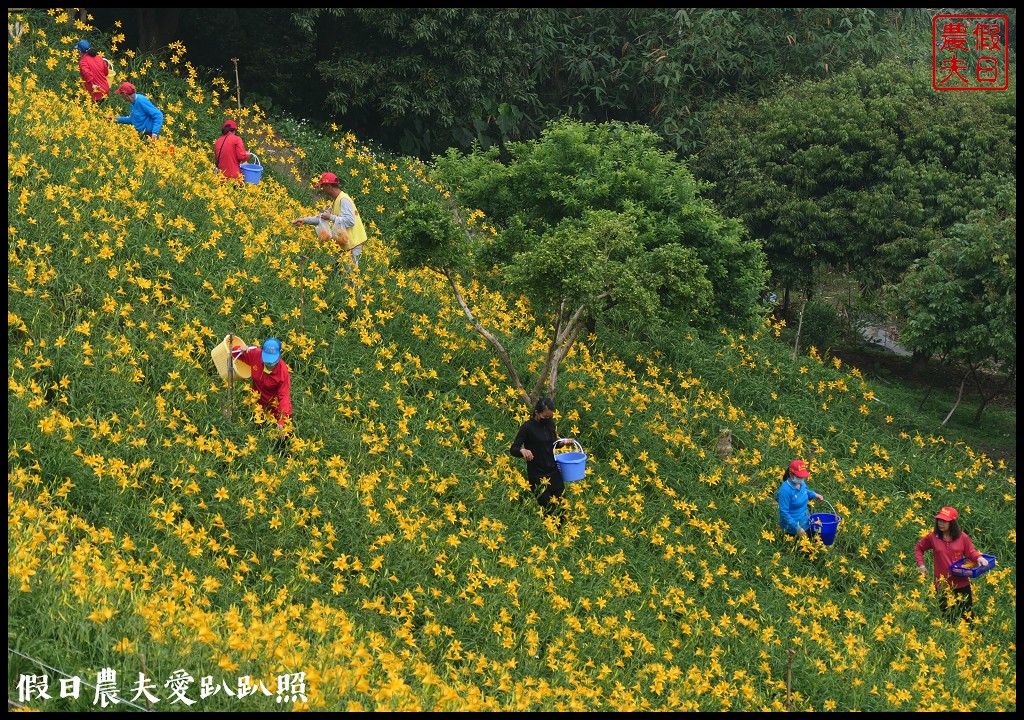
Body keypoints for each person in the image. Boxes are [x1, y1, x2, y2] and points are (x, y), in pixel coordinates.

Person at [915, 506, 989, 623]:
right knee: (947, 619)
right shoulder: (933, 537)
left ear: (952, 522)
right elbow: (919, 548)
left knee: (967, 617)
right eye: (939, 520)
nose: (940, 523)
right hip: (942, 585)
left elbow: (971, 552)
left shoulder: (962, 537)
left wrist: (979, 558)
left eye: (944, 521)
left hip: (961, 583)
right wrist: (921, 565)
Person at [510, 397, 577, 521]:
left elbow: (552, 444)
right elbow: (514, 449)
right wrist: (522, 450)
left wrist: (564, 442)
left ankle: (562, 536)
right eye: (545, 417)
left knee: (562, 508)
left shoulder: (550, 424)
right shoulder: (527, 427)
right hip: (537, 475)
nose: (547, 419)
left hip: (553, 472)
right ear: (536, 412)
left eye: (550, 417)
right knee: (548, 510)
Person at [291, 172, 369, 269]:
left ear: (328, 186)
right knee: (343, 273)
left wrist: (331, 217)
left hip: (353, 243)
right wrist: (304, 220)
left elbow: (350, 221)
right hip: (345, 242)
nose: (322, 190)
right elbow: (322, 217)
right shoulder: (336, 200)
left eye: (323, 187)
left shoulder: (343, 200)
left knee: (351, 276)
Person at [230, 338, 292, 441]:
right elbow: (232, 353)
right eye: (266, 361)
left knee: (283, 444)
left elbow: (284, 398)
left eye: (272, 362)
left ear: (279, 355)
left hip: (278, 411)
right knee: (257, 439)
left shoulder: (283, 372)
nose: (269, 365)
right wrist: (241, 349)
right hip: (258, 407)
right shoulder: (255, 354)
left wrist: (281, 421)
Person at [777, 458, 824, 538]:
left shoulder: (801, 483)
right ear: (791, 474)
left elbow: (805, 492)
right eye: (799, 476)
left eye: (803, 476)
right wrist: (797, 528)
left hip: (805, 523)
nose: (802, 479)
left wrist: (814, 495)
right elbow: (784, 513)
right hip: (791, 529)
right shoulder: (785, 491)